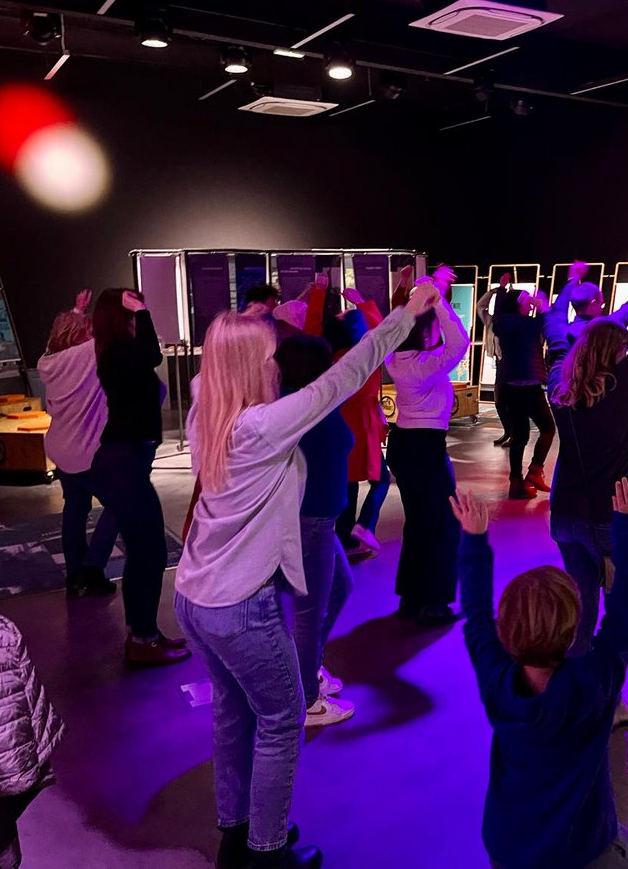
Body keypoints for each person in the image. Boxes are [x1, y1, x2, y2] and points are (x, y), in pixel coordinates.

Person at [176, 282, 437, 869]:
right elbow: (344, 376)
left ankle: (235, 834)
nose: (278, 363)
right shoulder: (262, 427)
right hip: (239, 603)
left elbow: (214, 363)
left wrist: (255, 319)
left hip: (195, 597)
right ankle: (266, 852)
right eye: (269, 357)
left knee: (232, 711)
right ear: (250, 368)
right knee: (282, 718)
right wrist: (403, 317)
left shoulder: (206, 411)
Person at [451, 479, 628, 869]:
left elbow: (475, 616)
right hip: (582, 850)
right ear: (574, 630)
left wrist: (474, 539)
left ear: (505, 633)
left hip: (509, 846)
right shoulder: (595, 682)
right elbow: (627, 609)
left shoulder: (497, 681)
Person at [545, 257, 628, 730]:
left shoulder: (560, 387)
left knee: (582, 608)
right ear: (616, 354)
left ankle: (574, 690)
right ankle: (608, 700)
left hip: (566, 514)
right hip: (611, 517)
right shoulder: (622, 385)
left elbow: (556, 337)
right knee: (622, 611)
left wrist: (565, 292)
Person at [90, 288, 188, 668]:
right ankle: (142, 639)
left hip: (128, 459)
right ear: (122, 315)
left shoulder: (119, 354)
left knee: (145, 552)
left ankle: (144, 634)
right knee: (149, 552)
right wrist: (144, 311)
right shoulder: (119, 352)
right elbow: (152, 355)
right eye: (130, 311)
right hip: (123, 461)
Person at [274, 334, 357, 726]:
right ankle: (306, 700)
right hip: (311, 521)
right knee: (309, 611)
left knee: (341, 588)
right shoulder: (303, 407)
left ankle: (307, 668)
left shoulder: (306, 401)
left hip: (319, 520)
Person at [385, 267, 471, 625]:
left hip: (404, 445)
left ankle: (411, 597)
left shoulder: (395, 358)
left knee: (419, 523)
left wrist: (410, 291)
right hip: (424, 447)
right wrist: (437, 301)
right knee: (441, 524)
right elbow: (460, 342)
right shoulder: (424, 367)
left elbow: (395, 321)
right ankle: (433, 602)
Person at [37, 289, 117, 598]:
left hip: (60, 446)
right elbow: (108, 334)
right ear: (80, 335)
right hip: (88, 450)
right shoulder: (88, 355)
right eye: (86, 329)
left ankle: (74, 577)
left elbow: (55, 341)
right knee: (120, 506)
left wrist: (77, 311)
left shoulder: (47, 361)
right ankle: (93, 568)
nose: (91, 331)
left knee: (76, 507)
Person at [316, 288, 392, 560]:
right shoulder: (367, 355)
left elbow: (313, 328)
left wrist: (315, 294)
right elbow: (382, 328)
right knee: (381, 479)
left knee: (348, 481)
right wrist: (361, 300)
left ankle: (343, 540)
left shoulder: (330, 358)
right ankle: (365, 524)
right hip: (363, 424)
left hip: (339, 423)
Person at [493, 288, 556, 499]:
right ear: (519, 303)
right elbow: (549, 319)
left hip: (510, 387)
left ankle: (516, 482)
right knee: (547, 428)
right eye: (526, 301)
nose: (530, 305)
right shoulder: (526, 324)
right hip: (529, 387)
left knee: (519, 437)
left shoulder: (502, 323)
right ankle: (535, 473)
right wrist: (541, 304)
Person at [477, 273, 514, 447]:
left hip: (513, 365)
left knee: (511, 401)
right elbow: (480, 306)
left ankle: (514, 433)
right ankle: (508, 431)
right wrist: (493, 291)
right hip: (501, 364)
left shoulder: (513, 322)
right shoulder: (492, 321)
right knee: (499, 401)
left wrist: (502, 291)